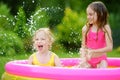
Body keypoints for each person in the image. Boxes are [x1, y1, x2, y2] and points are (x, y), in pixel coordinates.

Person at [78, 1, 113, 68]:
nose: (88, 17)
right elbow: (83, 47)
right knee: (79, 71)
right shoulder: (85, 29)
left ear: (100, 14)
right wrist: (83, 60)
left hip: (101, 60)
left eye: (91, 14)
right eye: (87, 14)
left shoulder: (105, 28)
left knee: (102, 73)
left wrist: (94, 51)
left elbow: (109, 47)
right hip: (88, 60)